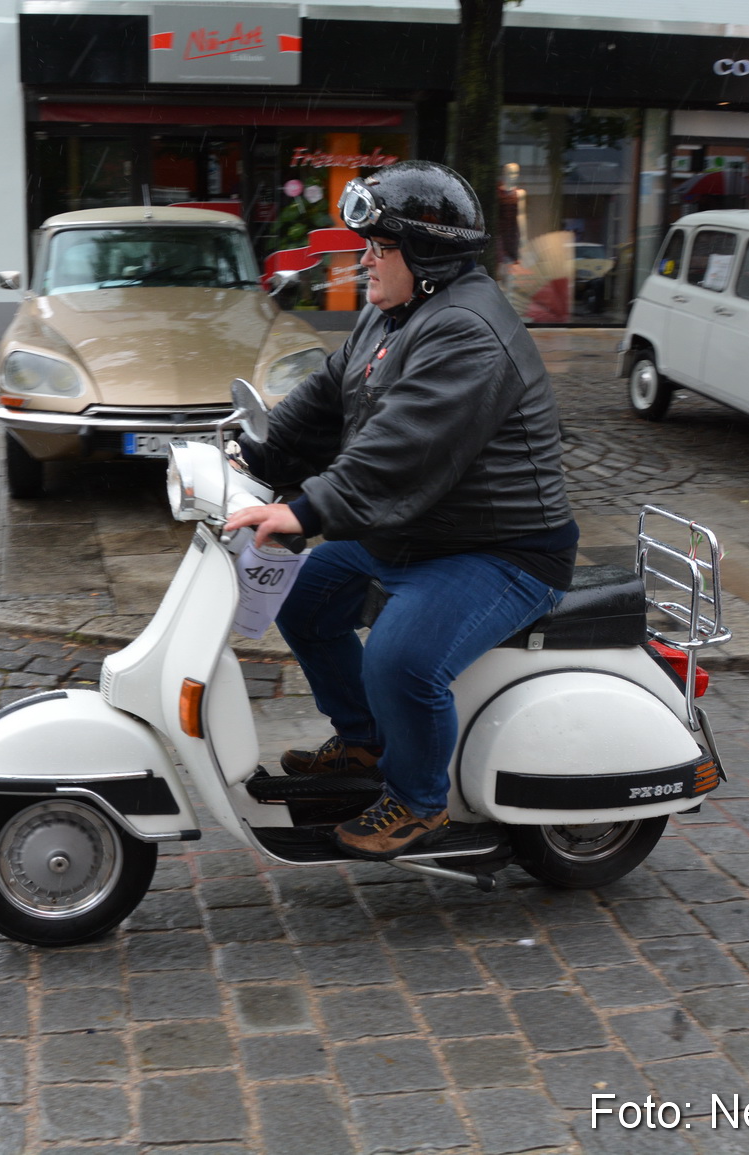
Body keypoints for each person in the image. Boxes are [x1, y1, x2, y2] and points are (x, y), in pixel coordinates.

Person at [225, 161, 577, 860]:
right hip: (419, 531)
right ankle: (363, 743)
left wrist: (308, 508)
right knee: (301, 595)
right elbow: (328, 395)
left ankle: (418, 801)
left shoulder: (468, 331)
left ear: (427, 256)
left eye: (379, 248)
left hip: (501, 547)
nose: (365, 261)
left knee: (401, 658)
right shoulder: (393, 314)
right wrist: (254, 456)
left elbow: (404, 443)